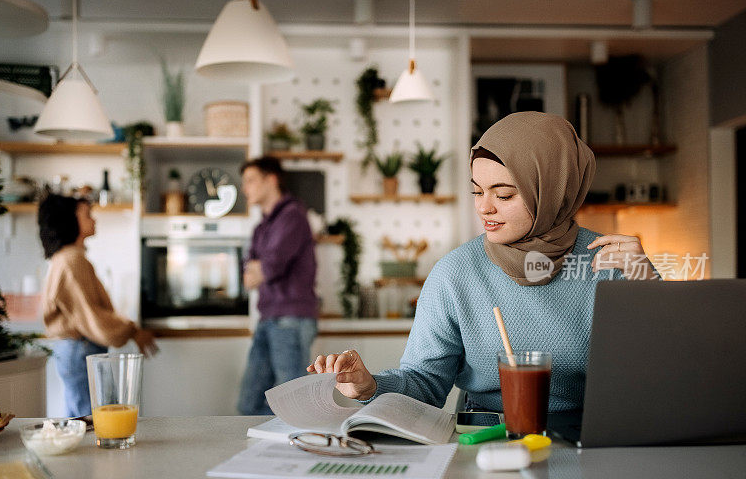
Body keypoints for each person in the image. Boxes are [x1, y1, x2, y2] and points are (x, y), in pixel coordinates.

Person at [308, 112, 657, 412]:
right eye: (477, 191)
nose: (484, 207)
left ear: (552, 189)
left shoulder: (611, 261)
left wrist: (648, 284)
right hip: (487, 437)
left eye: (503, 194)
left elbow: (660, 374)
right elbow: (424, 383)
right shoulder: (455, 273)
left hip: (592, 440)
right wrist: (369, 387)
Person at [39, 194, 157, 417]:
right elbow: (92, 317)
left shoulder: (67, 258)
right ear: (71, 221)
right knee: (95, 422)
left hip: (76, 350)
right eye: (87, 215)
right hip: (81, 350)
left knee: (83, 420)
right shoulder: (72, 260)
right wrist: (132, 331)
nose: (94, 220)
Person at [237, 157, 318, 415]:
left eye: (250, 180)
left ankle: (292, 453)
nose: (245, 188)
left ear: (271, 179)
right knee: (248, 405)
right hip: (269, 319)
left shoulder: (292, 215)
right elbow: (249, 275)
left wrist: (260, 268)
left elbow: (269, 267)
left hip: (290, 321)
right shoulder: (262, 226)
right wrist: (258, 268)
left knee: (290, 407)